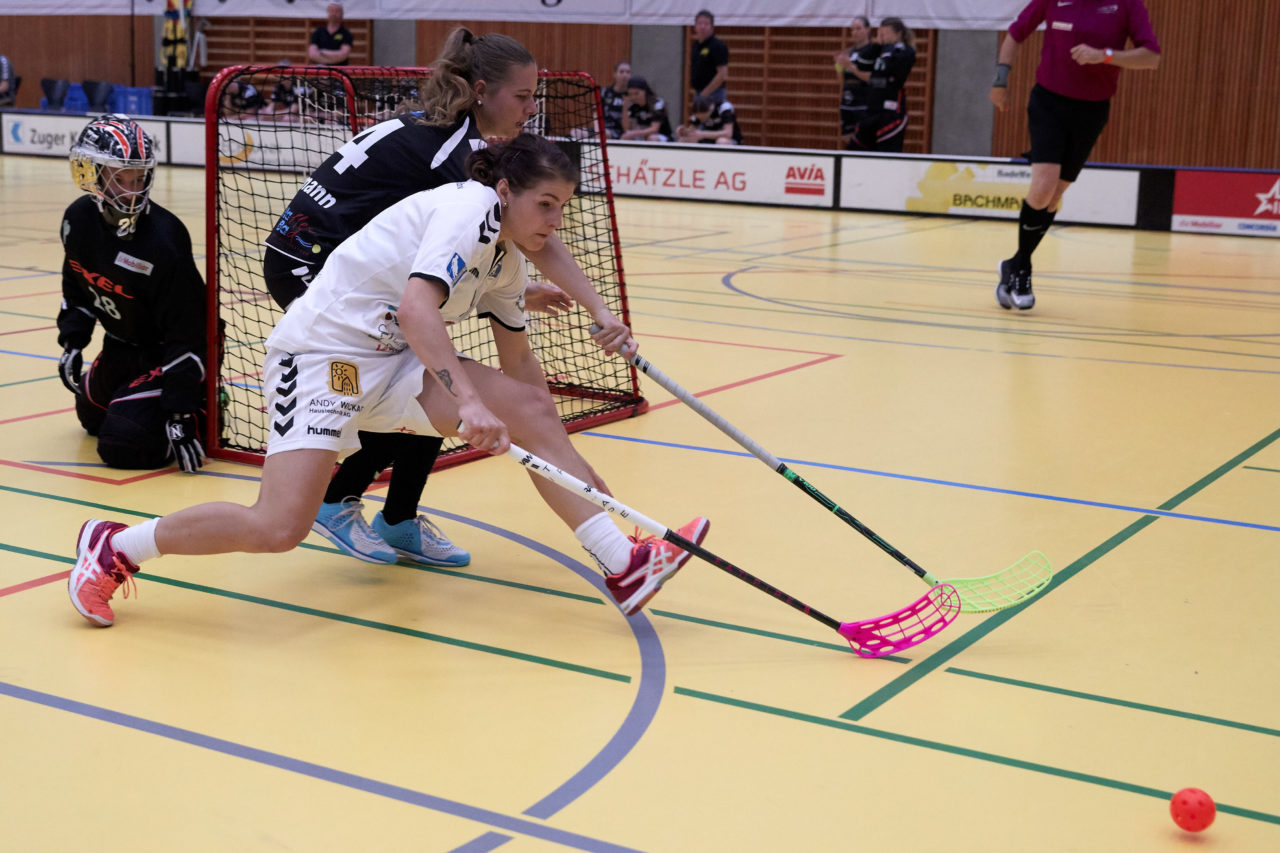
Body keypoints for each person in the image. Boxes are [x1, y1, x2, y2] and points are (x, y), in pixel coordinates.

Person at [67, 134, 711, 629]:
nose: (553, 221)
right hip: (321, 358)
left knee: (533, 410)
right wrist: (467, 402)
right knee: (277, 527)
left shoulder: (507, 261)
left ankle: (621, 563)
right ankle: (115, 545)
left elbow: (522, 376)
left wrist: (562, 453)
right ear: (507, 190)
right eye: (545, 204)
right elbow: (415, 308)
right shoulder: (466, 212)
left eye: (562, 208)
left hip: (391, 360)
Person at [260, 28, 594, 571]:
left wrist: (516, 290)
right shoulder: (458, 154)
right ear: (482, 91)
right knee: (425, 372)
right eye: (523, 97)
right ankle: (335, 499)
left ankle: (397, 516)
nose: (532, 110)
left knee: (439, 371)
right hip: (307, 262)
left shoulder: (462, 139)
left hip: (334, 256)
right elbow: (491, 236)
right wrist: (577, 306)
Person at [57, 114, 207, 474]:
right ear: (90, 172)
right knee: (91, 416)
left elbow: (190, 332)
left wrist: (180, 409)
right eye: (120, 178)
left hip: (168, 354)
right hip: (121, 345)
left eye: (139, 178)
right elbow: (77, 282)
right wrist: (73, 342)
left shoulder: (165, 242)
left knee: (122, 445)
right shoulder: (76, 220)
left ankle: (206, 404)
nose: (132, 190)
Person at [990, 0, 1161, 311]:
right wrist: (1000, 80)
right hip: (1048, 103)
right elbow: (1016, 34)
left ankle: (1013, 264)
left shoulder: (1127, 5)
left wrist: (1105, 56)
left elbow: (1151, 57)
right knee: (1043, 187)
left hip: (1092, 110)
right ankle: (1024, 270)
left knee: (1054, 195)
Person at [844, 18, 916, 153]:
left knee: (886, 156)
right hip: (871, 110)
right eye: (880, 33)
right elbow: (863, 65)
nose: (881, 36)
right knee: (853, 152)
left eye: (885, 33)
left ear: (898, 34)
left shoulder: (905, 50)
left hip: (891, 112)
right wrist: (875, 45)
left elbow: (889, 70)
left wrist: (884, 48)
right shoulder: (879, 49)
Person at [833, 16, 879, 149]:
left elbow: (873, 78)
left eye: (858, 28)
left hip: (865, 101)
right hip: (848, 101)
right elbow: (842, 80)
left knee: (864, 139)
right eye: (852, 29)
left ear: (868, 30)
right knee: (847, 137)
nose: (854, 32)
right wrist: (839, 65)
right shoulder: (849, 51)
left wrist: (851, 66)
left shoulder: (873, 49)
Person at [689, 10, 729, 107]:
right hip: (699, 93)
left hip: (714, 94)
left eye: (706, 24)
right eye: (700, 23)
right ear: (695, 27)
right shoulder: (695, 46)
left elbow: (722, 74)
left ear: (712, 27)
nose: (702, 27)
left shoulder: (717, 46)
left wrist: (705, 93)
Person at [619, 75, 672, 142]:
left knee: (652, 138)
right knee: (625, 137)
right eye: (630, 94)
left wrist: (634, 133)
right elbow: (626, 129)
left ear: (644, 91)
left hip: (660, 136)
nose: (633, 97)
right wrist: (625, 108)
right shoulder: (633, 106)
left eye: (636, 93)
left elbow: (654, 129)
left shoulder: (657, 104)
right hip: (641, 136)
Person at [676, 94, 741, 145]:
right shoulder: (697, 115)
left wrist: (702, 134)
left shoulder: (724, 108)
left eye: (704, 118)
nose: (701, 120)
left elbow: (728, 133)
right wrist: (684, 132)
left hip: (730, 140)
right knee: (685, 140)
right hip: (708, 140)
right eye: (699, 119)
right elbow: (692, 131)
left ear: (711, 109)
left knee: (721, 141)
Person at [308, 3, 353, 67]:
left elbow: (343, 55)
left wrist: (323, 52)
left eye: (337, 11)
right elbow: (312, 54)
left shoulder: (346, 33)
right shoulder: (318, 32)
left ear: (342, 14)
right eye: (331, 10)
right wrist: (334, 57)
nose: (334, 14)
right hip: (320, 70)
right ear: (327, 12)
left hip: (340, 70)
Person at [600, 61, 631, 139]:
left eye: (628, 72)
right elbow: (596, 115)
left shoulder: (632, 95)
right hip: (604, 129)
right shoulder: (604, 93)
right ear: (615, 74)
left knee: (604, 134)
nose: (625, 75)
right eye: (621, 72)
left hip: (622, 132)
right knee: (576, 132)